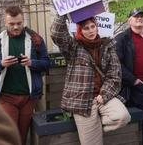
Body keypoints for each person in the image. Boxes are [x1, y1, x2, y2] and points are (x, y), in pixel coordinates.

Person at [51, 14, 131, 145]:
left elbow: (114, 74)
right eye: (86, 28)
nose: (91, 30)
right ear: (80, 30)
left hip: (103, 97)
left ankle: (97, 126)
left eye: (93, 26)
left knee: (123, 117)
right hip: (82, 101)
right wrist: (62, 14)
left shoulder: (107, 46)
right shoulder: (73, 47)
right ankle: (93, 130)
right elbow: (57, 35)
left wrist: (104, 94)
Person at [0, 5, 50, 145]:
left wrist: (31, 63)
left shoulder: (36, 39)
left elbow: (46, 64)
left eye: (19, 23)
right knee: (11, 136)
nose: (16, 27)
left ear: (24, 21)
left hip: (29, 97)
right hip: (6, 96)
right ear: (5, 22)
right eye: (11, 24)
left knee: (22, 136)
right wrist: (1, 64)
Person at [115, 8, 143, 145]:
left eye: (141, 16)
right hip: (136, 87)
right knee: (142, 122)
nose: (139, 19)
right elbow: (117, 64)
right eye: (135, 17)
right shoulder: (122, 39)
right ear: (129, 21)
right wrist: (133, 80)